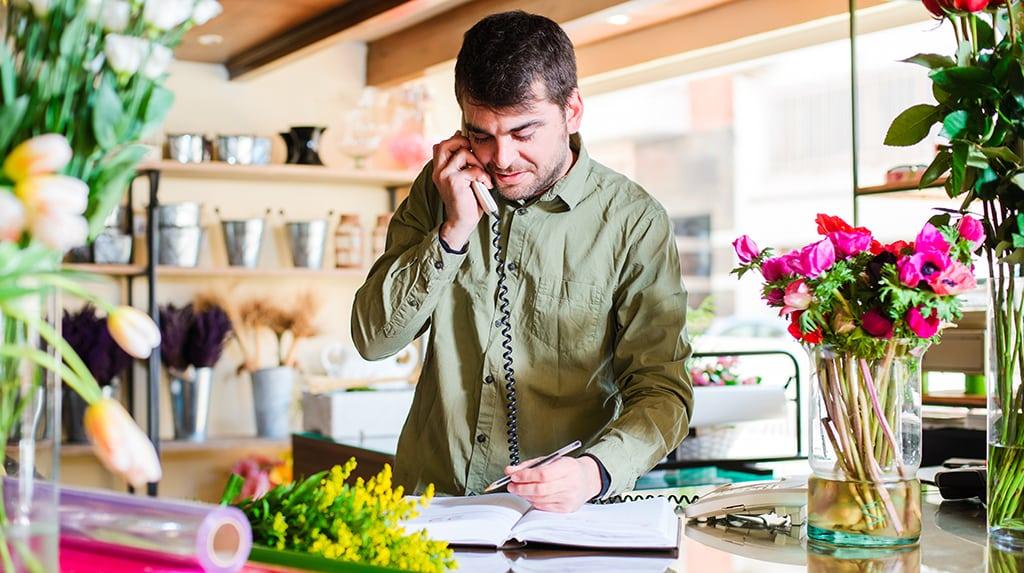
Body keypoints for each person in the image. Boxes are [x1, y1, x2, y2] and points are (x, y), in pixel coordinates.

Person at [351, 10, 692, 513]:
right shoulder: (438, 188)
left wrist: (595, 470)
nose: (501, 157)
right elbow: (374, 338)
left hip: (560, 518)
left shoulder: (632, 221)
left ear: (572, 111)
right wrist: (453, 233)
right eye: (481, 133)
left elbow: (664, 390)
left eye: (524, 132)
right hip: (431, 506)